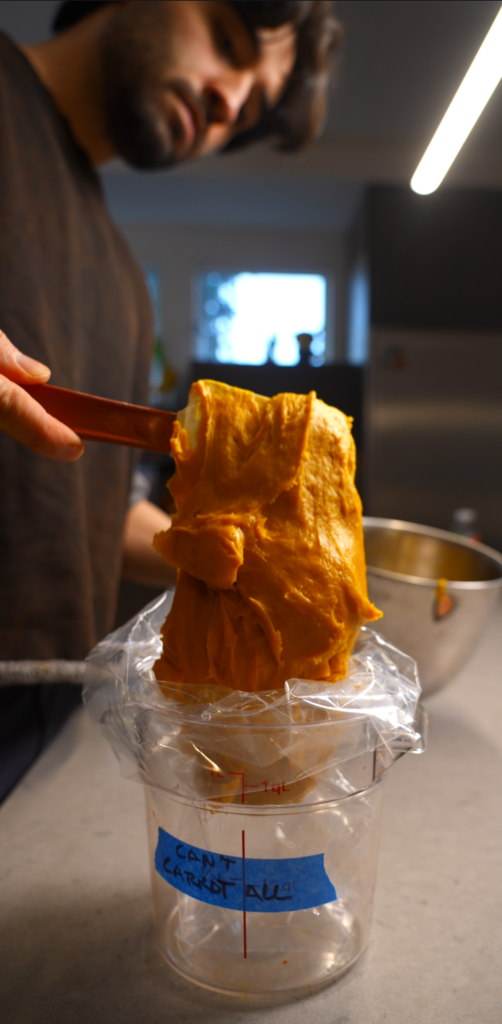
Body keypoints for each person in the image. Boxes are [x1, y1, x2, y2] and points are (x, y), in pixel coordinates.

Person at [0, 0, 342, 800]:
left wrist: (268, 562)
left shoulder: (125, 284)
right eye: (227, 40)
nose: (228, 102)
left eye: (249, 111)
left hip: (45, 723)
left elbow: (102, 509)